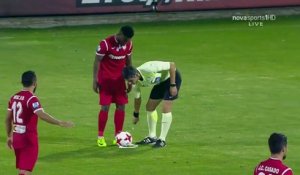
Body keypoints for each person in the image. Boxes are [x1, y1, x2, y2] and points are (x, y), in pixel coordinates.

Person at [5, 70, 74, 175]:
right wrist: (59, 122)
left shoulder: (13, 98)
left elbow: (7, 119)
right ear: (35, 83)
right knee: (26, 171)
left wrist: (9, 136)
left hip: (17, 138)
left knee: (22, 170)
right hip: (28, 139)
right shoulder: (32, 99)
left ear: (22, 82)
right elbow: (41, 114)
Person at [122, 61, 182, 148]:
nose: (130, 83)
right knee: (150, 107)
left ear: (136, 75)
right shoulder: (135, 84)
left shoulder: (149, 68)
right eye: (128, 81)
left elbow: (172, 65)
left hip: (172, 78)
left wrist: (173, 85)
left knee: (166, 108)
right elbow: (137, 99)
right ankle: (152, 136)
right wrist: (136, 114)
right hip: (161, 82)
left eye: (130, 81)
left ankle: (162, 139)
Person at [93, 25, 134, 147]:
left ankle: (118, 136)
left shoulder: (129, 44)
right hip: (105, 81)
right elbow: (97, 61)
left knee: (121, 106)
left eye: (128, 40)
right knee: (105, 107)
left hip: (120, 81)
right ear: (120, 34)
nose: (127, 42)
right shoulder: (105, 44)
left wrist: (130, 80)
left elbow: (129, 62)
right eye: (125, 39)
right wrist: (95, 80)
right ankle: (100, 137)